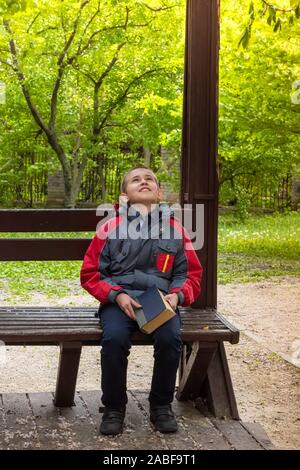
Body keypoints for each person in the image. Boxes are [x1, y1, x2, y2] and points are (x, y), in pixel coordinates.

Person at [80, 165, 202, 435]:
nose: (143, 182)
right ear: (125, 193)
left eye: (150, 179)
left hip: (160, 302)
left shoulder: (175, 230)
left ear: (159, 193)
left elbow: (189, 273)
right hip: (118, 302)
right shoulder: (109, 228)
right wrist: (117, 294)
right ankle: (113, 408)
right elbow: (91, 273)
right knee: (113, 340)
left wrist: (177, 295)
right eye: (136, 180)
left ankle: (161, 406)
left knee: (170, 340)